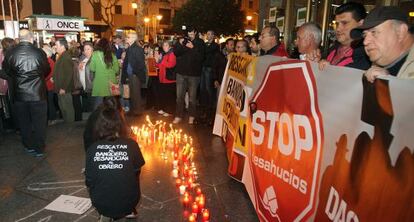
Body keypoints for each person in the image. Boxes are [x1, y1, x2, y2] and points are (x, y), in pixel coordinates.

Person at [85, 97, 145, 221]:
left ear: (98, 126)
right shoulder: (131, 144)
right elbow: (137, 170)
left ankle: (106, 212)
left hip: (101, 204)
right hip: (130, 202)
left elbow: (89, 180)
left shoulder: (92, 149)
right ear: (120, 124)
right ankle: (126, 208)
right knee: (133, 171)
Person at [2, 29, 50, 157]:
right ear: (31, 38)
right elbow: (46, 70)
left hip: (19, 94)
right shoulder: (39, 52)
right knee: (39, 123)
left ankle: (28, 146)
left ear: (19, 38)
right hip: (38, 93)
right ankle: (39, 148)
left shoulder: (11, 53)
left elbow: (6, 71)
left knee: (24, 122)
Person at [351, 6, 414, 81]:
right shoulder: (376, 64)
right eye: (364, 35)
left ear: (401, 32)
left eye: (374, 32)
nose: (365, 42)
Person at [318, 2, 371, 70]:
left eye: (344, 23)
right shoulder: (331, 50)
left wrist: (331, 70)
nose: (338, 29)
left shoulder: (367, 56)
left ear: (360, 24)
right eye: (337, 24)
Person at [173, 27, 205, 124]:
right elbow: (176, 53)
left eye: (191, 32)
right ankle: (178, 115)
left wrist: (193, 48)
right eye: (188, 33)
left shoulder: (200, 43)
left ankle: (192, 116)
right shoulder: (182, 41)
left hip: (194, 75)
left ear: (195, 32)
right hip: (181, 73)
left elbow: (201, 57)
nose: (190, 34)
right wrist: (180, 43)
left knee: (192, 98)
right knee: (179, 97)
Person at [89, 38, 120, 109]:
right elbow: (117, 70)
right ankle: (112, 118)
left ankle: (98, 118)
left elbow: (92, 68)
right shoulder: (113, 55)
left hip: (100, 83)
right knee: (112, 105)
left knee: (98, 105)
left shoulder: (95, 54)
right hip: (111, 83)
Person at [121, 33, 146, 116]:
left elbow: (141, 64)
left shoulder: (138, 49)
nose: (126, 38)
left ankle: (138, 111)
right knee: (132, 94)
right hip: (130, 75)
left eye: (128, 37)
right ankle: (133, 110)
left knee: (136, 94)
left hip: (135, 75)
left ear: (133, 39)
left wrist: (135, 72)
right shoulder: (130, 48)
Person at [200, 30, 220, 124]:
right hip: (203, 68)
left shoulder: (215, 46)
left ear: (213, 35)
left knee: (209, 89)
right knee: (203, 89)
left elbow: (206, 52)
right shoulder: (205, 44)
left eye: (209, 34)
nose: (207, 36)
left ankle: (211, 110)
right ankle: (204, 109)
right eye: (206, 34)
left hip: (209, 69)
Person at [53, 38, 75, 122]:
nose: (55, 47)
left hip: (64, 89)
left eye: (57, 45)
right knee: (63, 107)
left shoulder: (66, 57)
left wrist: (64, 88)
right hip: (60, 88)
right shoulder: (62, 56)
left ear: (62, 46)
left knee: (67, 108)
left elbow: (69, 74)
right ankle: (67, 124)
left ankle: (70, 126)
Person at [155, 40, 177, 117]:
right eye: (163, 45)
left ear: (170, 46)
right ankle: (164, 109)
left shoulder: (172, 53)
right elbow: (158, 66)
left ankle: (170, 111)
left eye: (166, 45)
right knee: (164, 95)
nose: (164, 47)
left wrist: (161, 61)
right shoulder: (164, 54)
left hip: (169, 79)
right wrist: (157, 61)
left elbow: (171, 65)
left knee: (169, 96)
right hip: (163, 78)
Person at [42, 44, 58, 125]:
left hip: (49, 86)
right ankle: (51, 118)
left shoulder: (49, 61)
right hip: (48, 85)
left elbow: (50, 74)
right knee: (49, 102)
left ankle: (52, 118)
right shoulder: (49, 60)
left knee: (50, 103)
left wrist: (43, 79)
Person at [79, 41, 94, 112]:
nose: (86, 51)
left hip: (91, 87)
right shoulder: (83, 59)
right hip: (84, 86)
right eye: (85, 49)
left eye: (88, 49)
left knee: (93, 106)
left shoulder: (94, 59)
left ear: (92, 49)